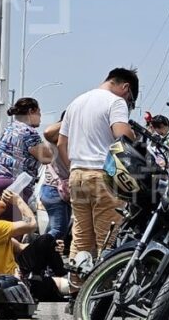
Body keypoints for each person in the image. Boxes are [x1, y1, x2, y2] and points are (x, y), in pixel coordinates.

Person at [57, 67, 139, 259]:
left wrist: (73, 168)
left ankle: (77, 286)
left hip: (77, 175)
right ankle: (105, 288)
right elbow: (122, 135)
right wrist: (133, 135)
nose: (128, 105)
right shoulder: (116, 102)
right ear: (126, 88)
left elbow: (62, 143)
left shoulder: (76, 102)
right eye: (131, 101)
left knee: (81, 238)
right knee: (108, 239)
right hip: (104, 176)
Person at [0, 185, 71, 301]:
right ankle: (64, 273)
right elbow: (31, 224)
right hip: (8, 284)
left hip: (11, 282)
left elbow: (22, 247)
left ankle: (77, 286)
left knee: (57, 285)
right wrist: (18, 200)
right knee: (46, 239)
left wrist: (51, 248)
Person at [0, 97, 54, 201]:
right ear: (30, 111)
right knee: (16, 217)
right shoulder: (29, 132)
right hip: (15, 185)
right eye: (39, 113)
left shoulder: (8, 129)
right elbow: (47, 158)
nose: (40, 117)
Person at [41, 112, 71, 241]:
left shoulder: (63, 138)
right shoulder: (58, 138)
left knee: (57, 229)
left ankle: (45, 256)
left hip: (54, 189)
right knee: (58, 230)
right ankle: (33, 251)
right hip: (54, 189)